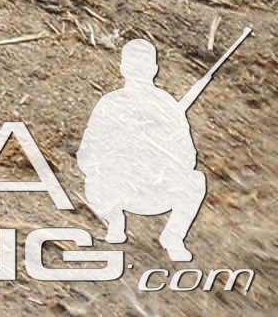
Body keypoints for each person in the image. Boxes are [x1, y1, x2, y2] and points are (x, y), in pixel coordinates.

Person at [77, 40, 209, 260]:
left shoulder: (111, 102)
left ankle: (126, 224)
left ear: (122, 68)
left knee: (94, 179)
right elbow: (188, 158)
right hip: (139, 191)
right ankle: (126, 225)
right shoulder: (166, 105)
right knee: (195, 180)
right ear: (154, 69)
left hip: (137, 192)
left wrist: (155, 164)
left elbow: (87, 154)